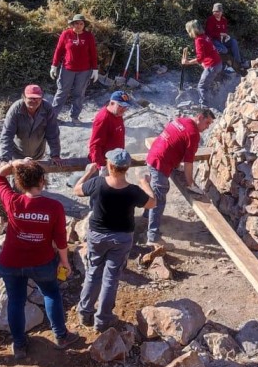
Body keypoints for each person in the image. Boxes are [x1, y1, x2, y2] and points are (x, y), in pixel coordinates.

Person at [0, 158, 78, 359]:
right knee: (51, 294)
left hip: (11, 262)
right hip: (42, 261)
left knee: (16, 301)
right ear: (42, 181)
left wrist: (15, 163)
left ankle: (20, 345)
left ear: (20, 182)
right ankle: (61, 336)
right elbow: (60, 239)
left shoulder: (12, 201)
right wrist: (64, 261)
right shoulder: (54, 206)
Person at [72, 149, 156, 331]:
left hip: (97, 236)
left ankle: (85, 312)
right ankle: (102, 319)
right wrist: (144, 183)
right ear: (127, 168)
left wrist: (88, 172)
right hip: (121, 238)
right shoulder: (133, 191)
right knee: (111, 278)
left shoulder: (97, 183)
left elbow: (77, 190)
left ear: (109, 166)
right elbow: (152, 203)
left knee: (93, 272)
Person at [142, 108, 215, 245]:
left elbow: (173, 142)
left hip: (153, 156)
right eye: (207, 123)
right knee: (159, 199)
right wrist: (191, 184)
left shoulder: (180, 120)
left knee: (156, 190)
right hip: (160, 164)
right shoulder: (193, 134)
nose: (207, 127)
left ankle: (146, 216)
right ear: (199, 117)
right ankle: (152, 236)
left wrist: (175, 164)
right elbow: (188, 163)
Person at [50, 14, 99, 123]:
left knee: (79, 94)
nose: (79, 25)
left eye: (81, 23)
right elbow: (59, 50)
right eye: (76, 23)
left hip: (84, 70)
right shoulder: (66, 34)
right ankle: (52, 117)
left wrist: (95, 69)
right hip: (67, 69)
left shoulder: (88, 36)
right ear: (72, 24)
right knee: (62, 92)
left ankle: (74, 117)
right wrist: (54, 65)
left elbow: (93, 53)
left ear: (84, 25)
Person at [0, 85, 62, 163]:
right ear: (24, 97)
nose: (34, 101)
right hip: (18, 154)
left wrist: (55, 155)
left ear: (42, 98)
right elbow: (7, 135)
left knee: (37, 173)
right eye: (31, 98)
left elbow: (53, 133)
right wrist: (5, 159)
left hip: (38, 153)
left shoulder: (47, 109)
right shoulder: (15, 110)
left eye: (37, 98)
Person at [180, 19, 222, 107]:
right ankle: (209, 98)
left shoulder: (199, 40)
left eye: (188, 31)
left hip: (212, 66)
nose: (188, 33)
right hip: (217, 63)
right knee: (205, 84)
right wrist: (203, 63)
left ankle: (204, 107)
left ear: (192, 30)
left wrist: (187, 62)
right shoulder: (204, 36)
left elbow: (200, 58)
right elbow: (207, 54)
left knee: (201, 86)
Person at [88, 91, 135, 167]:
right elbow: (95, 145)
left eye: (126, 106)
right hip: (107, 163)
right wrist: (101, 166)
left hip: (116, 160)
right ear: (112, 103)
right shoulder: (103, 119)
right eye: (121, 105)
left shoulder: (117, 113)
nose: (124, 109)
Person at [205, 2, 245, 75]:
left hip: (222, 40)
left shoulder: (224, 20)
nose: (217, 13)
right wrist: (220, 34)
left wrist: (226, 36)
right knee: (224, 50)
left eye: (219, 11)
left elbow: (224, 31)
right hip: (214, 40)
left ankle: (238, 62)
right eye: (216, 11)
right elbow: (208, 33)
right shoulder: (210, 20)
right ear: (213, 12)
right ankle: (214, 54)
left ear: (222, 12)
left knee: (233, 42)